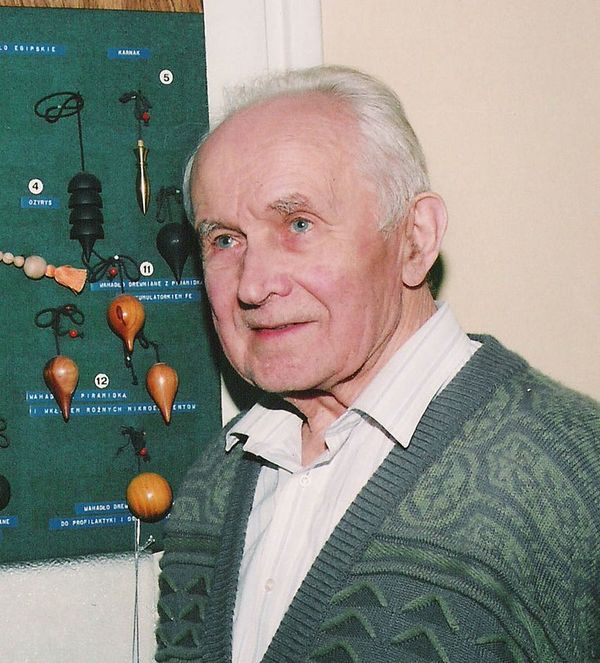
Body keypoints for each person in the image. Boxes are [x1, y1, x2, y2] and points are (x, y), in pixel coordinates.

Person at [155, 65, 599, 663]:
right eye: (225, 240)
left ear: (415, 238)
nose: (253, 285)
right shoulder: (211, 483)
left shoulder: (574, 474)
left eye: (298, 224)